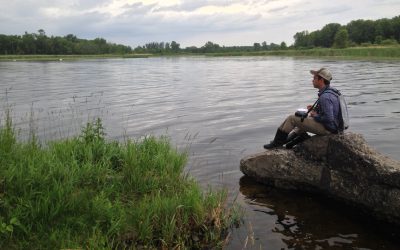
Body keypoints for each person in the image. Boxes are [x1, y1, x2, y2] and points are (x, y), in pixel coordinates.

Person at [264, 67, 342, 149]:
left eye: (314, 78)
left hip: (328, 129)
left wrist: (315, 115)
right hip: (332, 127)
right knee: (302, 119)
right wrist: (315, 109)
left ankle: (277, 144)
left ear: (321, 80)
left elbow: (329, 118)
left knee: (292, 119)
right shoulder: (330, 92)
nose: (312, 80)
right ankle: (282, 141)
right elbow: (330, 111)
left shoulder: (325, 97)